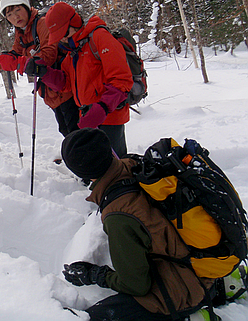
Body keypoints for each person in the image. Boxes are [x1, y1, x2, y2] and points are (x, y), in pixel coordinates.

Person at [59, 127, 218, 321]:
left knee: (92, 317)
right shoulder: (135, 165)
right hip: (204, 263)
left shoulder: (119, 213)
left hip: (183, 290)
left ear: (81, 171)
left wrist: (95, 275)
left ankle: (193, 316)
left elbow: (136, 285)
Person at [0, 0, 79, 137]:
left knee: (78, 136)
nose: (15, 17)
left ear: (26, 7)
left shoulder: (42, 23)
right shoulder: (21, 33)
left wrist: (20, 62)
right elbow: (12, 60)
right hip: (52, 92)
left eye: (18, 10)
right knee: (68, 132)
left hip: (68, 89)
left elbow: (48, 55)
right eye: (9, 14)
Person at [25, 2, 133, 157]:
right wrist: (44, 73)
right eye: (59, 37)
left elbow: (122, 80)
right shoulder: (74, 51)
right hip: (88, 119)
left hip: (110, 117)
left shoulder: (99, 37)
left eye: (64, 34)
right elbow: (66, 83)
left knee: (116, 168)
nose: (62, 40)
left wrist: (101, 108)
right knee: (98, 166)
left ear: (74, 23)